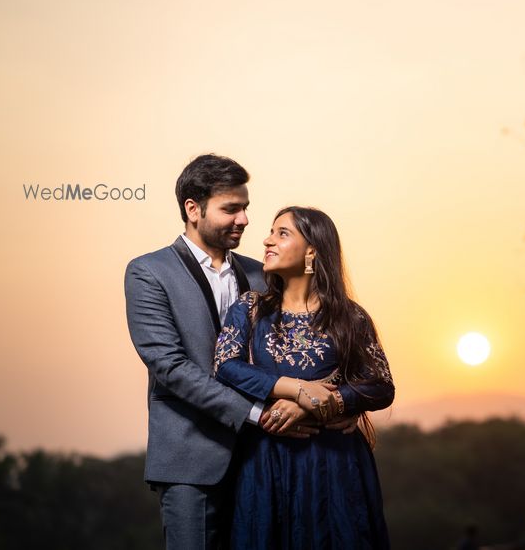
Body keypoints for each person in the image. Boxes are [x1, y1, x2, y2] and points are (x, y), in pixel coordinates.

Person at [125, 155, 355, 548]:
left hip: (267, 460)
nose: (244, 219)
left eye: (245, 208)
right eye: (230, 208)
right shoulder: (148, 273)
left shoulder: (263, 273)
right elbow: (171, 366)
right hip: (191, 462)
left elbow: (320, 341)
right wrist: (257, 414)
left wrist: (340, 401)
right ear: (193, 209)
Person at [212, 206, 394, 548]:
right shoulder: (250, 308)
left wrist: (319, 405)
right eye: (270, 231)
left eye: (283, 233)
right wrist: (296, 390)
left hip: (334, 463)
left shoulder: (349, 317)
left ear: (312, 250)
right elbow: (225, 365)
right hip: (268, 460)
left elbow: (381, 385)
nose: (267, 240)